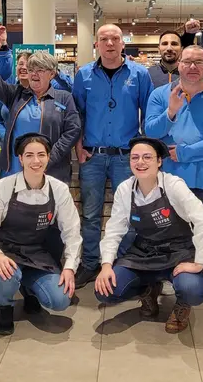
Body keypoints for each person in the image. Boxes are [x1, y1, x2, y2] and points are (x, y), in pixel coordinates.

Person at [95, 137, 203, 333]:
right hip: (143, 253)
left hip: (178, 252)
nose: (140, 162)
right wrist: (106, 265)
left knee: (193, 291)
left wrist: (199, 262)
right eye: (135, 157)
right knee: (105, 291)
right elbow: (114, 229)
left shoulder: (173, 185)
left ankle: (182, 305)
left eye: (147, 157)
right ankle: (148, 291)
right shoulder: (126, 189)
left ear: (159, 161)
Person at [145, 45, 203, 304]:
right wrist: (171, 111)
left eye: (199, 62)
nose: (193, 67)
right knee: (168, 228)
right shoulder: (161, 95)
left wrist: (185, 152)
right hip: (167, 178)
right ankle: (168, 275)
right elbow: (150, 130)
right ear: (179, 65)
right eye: (187, 62)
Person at [72, 24, 154, 288]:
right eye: (104, 39)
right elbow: (77, 116)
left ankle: (122, 263)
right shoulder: (83, 75)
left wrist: (144, 151)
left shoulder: (139, 74)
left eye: (114, 39)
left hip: (126, 157)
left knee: (127, 214)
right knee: (91, 214)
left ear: (123, 43)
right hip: (93, 156)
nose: (109, 43)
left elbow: (149, 114)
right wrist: (78, 147)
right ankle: (89, 263)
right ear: (96, 44)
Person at [0, 133, 82, 336]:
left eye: (41, 154)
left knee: (60, 300)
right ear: (20, 158)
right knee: (7, 277)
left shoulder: (58, 190)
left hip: (36, 254)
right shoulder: (4, 187)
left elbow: (72, 232)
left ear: (48, 157)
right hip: (5, 253)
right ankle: (5, 306)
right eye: (29, 155)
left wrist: (69, 268)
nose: (36, 161)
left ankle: (29, 289)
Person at [0, 43, 81, 183]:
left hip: (51, 169)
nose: (34, 74)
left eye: (40, 70)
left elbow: (73, 130)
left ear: (52, 74)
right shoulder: (15, 94)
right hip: (15, 167)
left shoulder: (64, 97)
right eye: (31, 69)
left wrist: (48, 157)